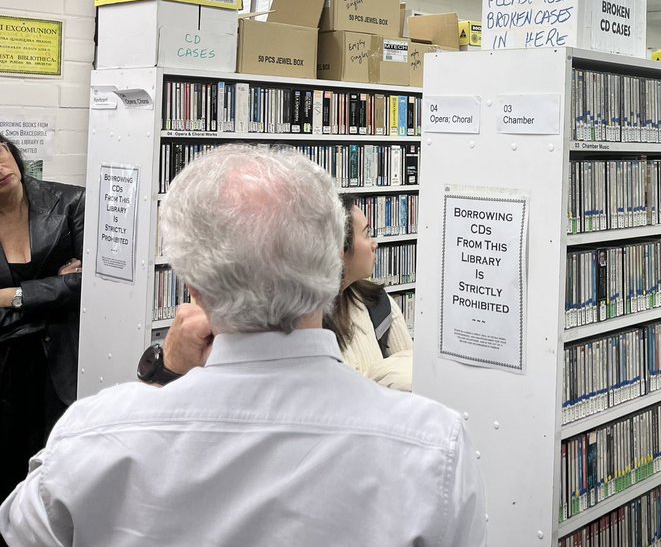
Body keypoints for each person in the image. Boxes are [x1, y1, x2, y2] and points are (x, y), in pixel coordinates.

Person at [0, 145, 487, 546]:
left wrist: (163, 376)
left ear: (190, 285)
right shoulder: (432, 446)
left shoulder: (94, 435)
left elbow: (23, 528)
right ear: (329, 267)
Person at [0, 134, 84, 506]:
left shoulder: (70, 202)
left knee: (57, 460)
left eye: (0, 153)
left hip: (60, 352)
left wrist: (13, 296)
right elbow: (68, 282)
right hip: (5, 357)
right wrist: (56, 283)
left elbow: (88, 280)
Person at [326, 199, 414, 390]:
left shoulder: (378, 303)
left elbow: (414, 373)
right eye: (366, 234)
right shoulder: (310, 321)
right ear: (341, 249)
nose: (374, 244)